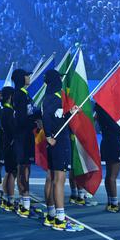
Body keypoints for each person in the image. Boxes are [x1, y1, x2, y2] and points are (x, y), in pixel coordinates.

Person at [40, 69, 80, 231]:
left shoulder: (48, 98)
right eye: (59, 78)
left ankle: (51, 215)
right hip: (59, 142)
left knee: (51, 178)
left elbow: (56, 118)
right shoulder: (55, 98)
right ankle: (60, 219)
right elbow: (48, 119)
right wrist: (49, 135)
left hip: (53, 143)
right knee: (59, 180)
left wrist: (70, 113)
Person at [12, 68, 38, 218]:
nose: (29, 77)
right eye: (27, 75)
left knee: (26, 169)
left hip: (26, 136)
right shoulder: (20, 94)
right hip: (22, 136)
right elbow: (22, 118)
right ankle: (24, 205)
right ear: (21, 78)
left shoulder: (24, 93)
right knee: (23, 169)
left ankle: (25, 202)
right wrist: (34, 120)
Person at [96, 104, 120, 213]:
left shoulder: (102, 110)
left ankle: (111, 202)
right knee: (112, 176)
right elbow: (113, 126)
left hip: (110, 142)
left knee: (110, 175)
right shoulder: (103, 110)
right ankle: (114, 204)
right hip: (112, 143)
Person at [0, 86, 17, 211]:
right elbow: (11, 128)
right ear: (10, 97)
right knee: (12, 172)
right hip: (10, 144)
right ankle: (10, 199)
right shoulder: (8, 111)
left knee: (9, 172)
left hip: (7, 144)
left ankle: (6, 198)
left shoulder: (5, 110)